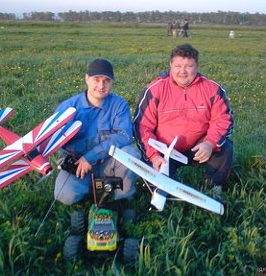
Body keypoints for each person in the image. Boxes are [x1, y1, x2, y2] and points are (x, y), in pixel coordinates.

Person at [133, 44, 234, 200]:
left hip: (199, 147)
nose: (182, 71)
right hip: (165, 151)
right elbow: (142, 126)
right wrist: (154, 156)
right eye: (178, 66)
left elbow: (223, 119)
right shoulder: (155, 89)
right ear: (170, 66)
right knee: (153, 187)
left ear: (197, 66)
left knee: (224, 146)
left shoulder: (212, 89)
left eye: (189, 66)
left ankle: (213, 187)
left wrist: (210, 143)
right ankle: (161, 186)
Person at [54, 58, 140, 206]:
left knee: (131, 154)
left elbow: (124, 136)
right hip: (78, 164)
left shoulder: (119, 105)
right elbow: (53, 138)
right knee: (65, 195)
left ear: (112, 82)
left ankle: (123, 200)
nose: (101, 85)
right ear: (87, 79)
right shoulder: (68, 107)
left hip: (108, 162)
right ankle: (81, 204)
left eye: (106, 80)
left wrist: (91, 157)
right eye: (96, 79)